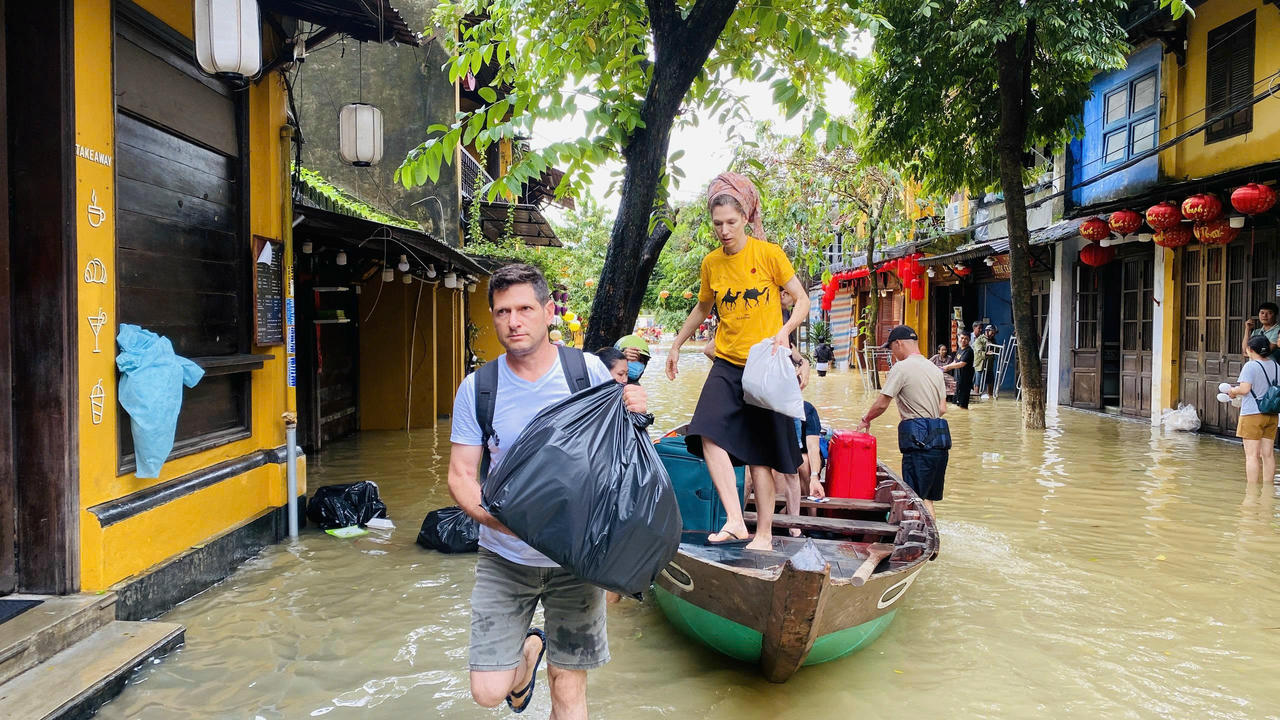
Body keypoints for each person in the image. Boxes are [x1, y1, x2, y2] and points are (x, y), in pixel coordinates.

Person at [448, 263, 647, 718]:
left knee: (568, 687)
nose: (513, 321)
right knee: (487, 692)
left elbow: (622, 454)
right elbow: (461, 474)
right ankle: (527, 655)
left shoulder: (587, 372)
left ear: (548, 311)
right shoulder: (479, 388)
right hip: (505, 557)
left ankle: (546, 660)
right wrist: (498, 522)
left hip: (576, 558)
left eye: (524, 309)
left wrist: (637, 409)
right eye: (503, 312)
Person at [666, 172, 810, 551]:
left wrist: (786, 330)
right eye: (718, 224)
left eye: (731, 222)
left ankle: (763, 535)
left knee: (761, 458)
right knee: (704, 431)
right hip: (727, 363)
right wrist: (677, 344)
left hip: (764, 365)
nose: (725, 231)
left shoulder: (769, 254)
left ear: (745, 218)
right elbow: (702, 307)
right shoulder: (711, 263)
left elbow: (802, 299)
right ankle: (734, 519)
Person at [855, 325, 949, 517]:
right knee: (926, 499)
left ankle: (923, 534)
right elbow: (942, 409)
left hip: (918, 441)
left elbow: (882, 403)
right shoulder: (935, 369)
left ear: (898, 343)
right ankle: (932, 530)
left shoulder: (901, 368)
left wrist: (866, 419)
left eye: (891, 349)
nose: (892, 354)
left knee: (915, 499)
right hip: (940, 443)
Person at [1225, 335, 1280, 485]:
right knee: (1268, 454)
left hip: (1252, 414)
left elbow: (1244, 389)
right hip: (1272, 414)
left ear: (1250, 349)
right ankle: (1268, 488)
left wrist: (1233, 391)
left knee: (1252, 456)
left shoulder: (1250, 366)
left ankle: (1252, 490)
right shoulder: (1276, 366)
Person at [945, 333, 976, 409]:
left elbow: (962, 364)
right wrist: (945, 368)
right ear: (958, 338)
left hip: (965, 382)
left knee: (963, 406)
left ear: (969, 340)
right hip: (958, 381)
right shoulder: (960, 349)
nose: (963, 340)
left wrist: (948, 367)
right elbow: (955, 361)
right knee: (956, 405)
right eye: (962, 338)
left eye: (966, 339)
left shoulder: (969, 351)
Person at [972, 324, 999, 399]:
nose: (993, 335)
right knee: (978, 383)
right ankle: (976, 397)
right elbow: (978, 352)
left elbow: (997, 350)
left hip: (989, 365)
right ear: (987, 331)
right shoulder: (979, 340)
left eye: (994, 333)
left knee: (990, 382)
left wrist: (993, 347)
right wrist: (986, 353)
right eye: (992, 333)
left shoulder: (993, 340)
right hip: (980, 364)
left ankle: (990, 398)